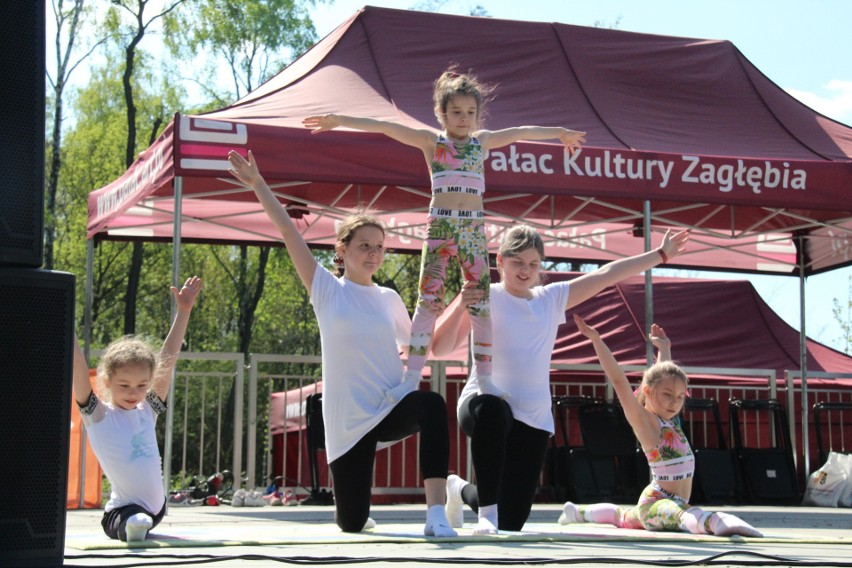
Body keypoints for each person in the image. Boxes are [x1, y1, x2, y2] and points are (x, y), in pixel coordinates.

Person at [302, 68, 586, 402]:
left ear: (478, 115)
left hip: (471, 229)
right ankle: (411, 378)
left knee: (480, 304)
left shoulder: (482, 142)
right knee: (427, 302)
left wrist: (559, 133)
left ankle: (485, 379)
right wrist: (339, 119)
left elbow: (520, 131)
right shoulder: (432, 142)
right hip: (441, 226)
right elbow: (386, 127)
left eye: (470, 113)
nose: (464, 119)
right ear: (441, 114)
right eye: (456, 112)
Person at [227, 149, 457, 536]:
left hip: (388, 406)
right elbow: (287, 231)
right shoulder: (327, 290)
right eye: (365, 245)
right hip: (348, 423)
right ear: (342, 250)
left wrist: (459, 306)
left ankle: (436, 513)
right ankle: (358, 509)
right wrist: (258, 184)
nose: (373, 253)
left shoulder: (389, 299)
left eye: (379, 247)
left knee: (432, 404)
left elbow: (425, 342)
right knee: (351, 525)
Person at [431, 224, 690, 534]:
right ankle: (486, 514)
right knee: (492, 411)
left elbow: (606, 274)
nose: (525, 270)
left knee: (512, 520)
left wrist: (660, 255)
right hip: (482, 405)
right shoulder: (484, 295)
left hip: (532, 416)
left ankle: (458, 490)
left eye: (533, 264)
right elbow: (439, 347)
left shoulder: (550, 298)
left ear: (541, 267)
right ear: (499, 261)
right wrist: (460, 302)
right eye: (517, 262)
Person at [559, 313, 763, 537]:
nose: (674, 402)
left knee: (622, 517)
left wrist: (664, 348)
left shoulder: (671, 420)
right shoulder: (645, 422)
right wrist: (596, 340)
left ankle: (576, 512)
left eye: (679, 397)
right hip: (658, 503)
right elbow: (618, 379)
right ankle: (713, 521)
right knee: (678, 514)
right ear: (648, 391)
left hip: (660, 502)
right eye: (667, 395)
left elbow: (664, 376)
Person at [72, 276, 203, 542]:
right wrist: (64, 319)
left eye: (142, 385)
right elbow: (79, 370)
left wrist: (184, 312)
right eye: (124, 385)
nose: (134, 393)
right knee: (131, 519)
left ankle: (139, 523)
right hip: (120, 511)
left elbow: (168, 358)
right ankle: (133, 525)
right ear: (107, 382)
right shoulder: (98, 416)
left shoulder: (147, 410)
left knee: (141, 519)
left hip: (158, 509)